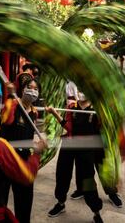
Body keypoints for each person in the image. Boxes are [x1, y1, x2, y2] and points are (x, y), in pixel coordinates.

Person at [47, 92, 104, 223]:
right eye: (79, 89)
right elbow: (68, 127)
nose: (81, 93)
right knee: (62, 175)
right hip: (69, 145)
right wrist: (54, 112)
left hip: (86, 149)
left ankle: (96, 211)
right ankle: (60, 203)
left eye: (84, 89)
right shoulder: (71, 107)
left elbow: (101, 129)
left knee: (88, 180)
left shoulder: (98, 109)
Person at [0, 79, 44, 223]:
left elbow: (29, 134)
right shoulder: (12, 104)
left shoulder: (35, 113)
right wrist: (11, 97)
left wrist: (37, 147)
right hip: (5, 159)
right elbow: (6, 120)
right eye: (29, 87)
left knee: (24, 203)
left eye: (35, 88)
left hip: (23, 159)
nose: (32, 90)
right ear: (23, 89)